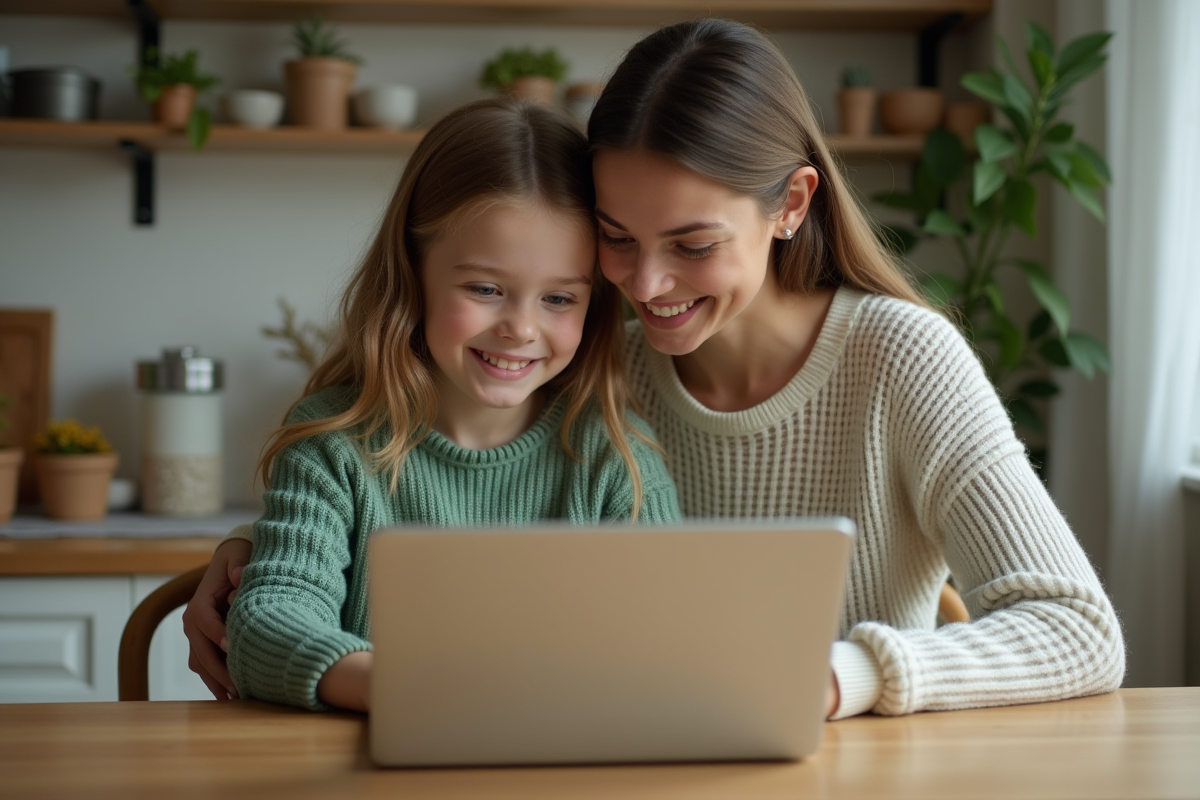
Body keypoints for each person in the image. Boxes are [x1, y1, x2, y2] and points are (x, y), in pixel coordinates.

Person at [187, 19, 1125, 719]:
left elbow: (1079, 632)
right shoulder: (595, 353)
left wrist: (845, 673)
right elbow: (422, 463)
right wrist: (250, 557)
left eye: (691, 243)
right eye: (616, 240)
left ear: (793, 203)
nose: (646, 283)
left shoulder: (899, 359)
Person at [209, 98, 681, 712]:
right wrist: (419, 691)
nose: (519, 328)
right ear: (412, 274)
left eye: (559, 299)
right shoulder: (334, 444)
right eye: (485, 289)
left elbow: (672, 642)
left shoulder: (614, 456)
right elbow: (269, 622)